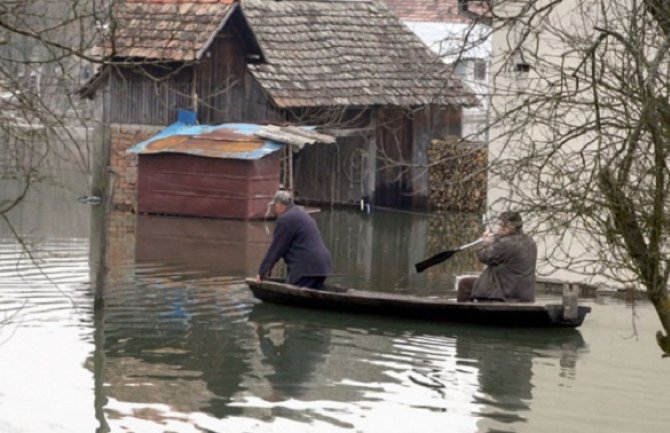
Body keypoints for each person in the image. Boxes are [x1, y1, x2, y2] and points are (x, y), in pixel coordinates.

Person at [256, 190, 332, 288]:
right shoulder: (302, 213)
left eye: (275, 205)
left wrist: (262, 273)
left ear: (280, 204)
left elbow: (276, 249)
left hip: (306, 268)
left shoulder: (285, 219)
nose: (274, 208)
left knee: (294, 290)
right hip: (322, 266)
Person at [470, 211, 537, 302]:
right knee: (469, 283)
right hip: (522, 294)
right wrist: (496, 239)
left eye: (503, 226)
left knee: (464, 284)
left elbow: (483, 256)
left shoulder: (505, 243)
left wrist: (485, 243)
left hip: (502, 295)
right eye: (500, 226)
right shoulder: (530, 241)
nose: (500, 229)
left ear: (513, 226)